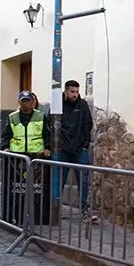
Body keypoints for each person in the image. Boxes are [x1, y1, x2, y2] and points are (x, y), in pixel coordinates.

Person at [0, 91, 51, 226]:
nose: (26, 104)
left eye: (28, 101)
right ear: (19, 102)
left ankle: (38, 218)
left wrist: (47, 148)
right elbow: (6, 135)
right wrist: (5, 147)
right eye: (23, 101)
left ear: (32, 102)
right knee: (17, 189)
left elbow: (46, 133)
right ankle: (14, 215)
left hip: (37, 157)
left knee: (37, 189)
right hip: (17, 159)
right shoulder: (12, 117)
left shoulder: (41, 116)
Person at [55, 79, 97, 223]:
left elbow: (88, 124)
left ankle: (85, 211)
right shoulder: (58, 104)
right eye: (72, 91)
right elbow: (51, 124)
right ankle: (54, 210)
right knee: (59, 180)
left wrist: (85, 145)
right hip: (63, 150)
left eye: (77, 91)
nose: (75, 94)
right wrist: (58, 144)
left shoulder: (82, 105)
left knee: (83, 181)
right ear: (66, 91)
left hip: (80, 150)